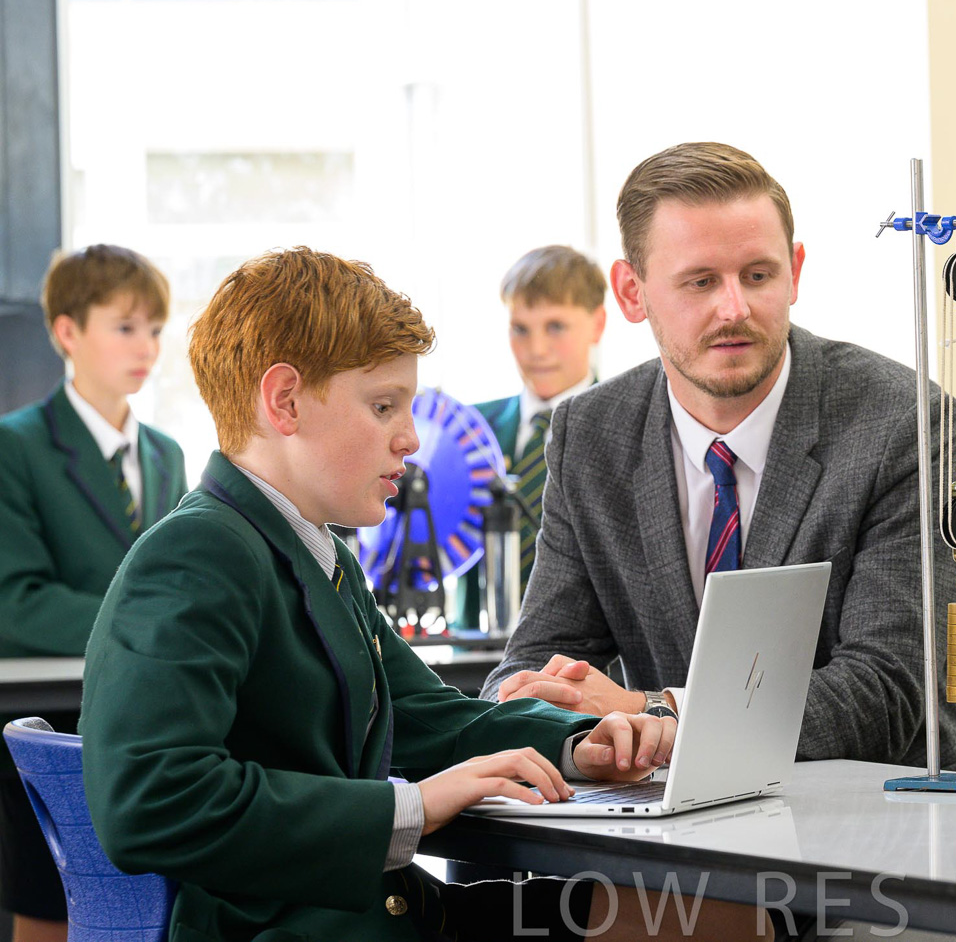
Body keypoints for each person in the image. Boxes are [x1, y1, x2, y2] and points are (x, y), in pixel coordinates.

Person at [78, 247, 731, 942]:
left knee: (718, 916)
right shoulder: (198, 554)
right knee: (709, 919)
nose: (411, 439)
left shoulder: (310, 550)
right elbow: (150, 802)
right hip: (301, 930)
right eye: (383, 406)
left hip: (376, 916)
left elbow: (422, 714)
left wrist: (577, 746)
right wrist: (410, 807)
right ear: (285, 401)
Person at [482, 141, 956, 771]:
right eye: (701, 282)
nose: (734, 309)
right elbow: (534, 662)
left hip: (888, 808)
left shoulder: (901, 420)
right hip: (676, 815)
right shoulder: (590, 434)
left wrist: (657, 714)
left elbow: (885, 692)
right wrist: (548, 713)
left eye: (757, 275)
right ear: (632, 292)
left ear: (795, 272)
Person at [0, 244, 185, 942]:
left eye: (155, 329)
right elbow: (15, 604)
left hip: (152, 723)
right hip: (55, 722)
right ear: (67, 331)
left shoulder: (167, 453)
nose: (146, 347)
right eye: (125, 326)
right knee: (52, 915)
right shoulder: (16, 446)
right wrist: (150, 626)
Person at [457, 246, 607, 629]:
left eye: (555, 327)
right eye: (520, 329)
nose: (536, 350)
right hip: (476, 650)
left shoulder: (626, 430)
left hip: (590, 655)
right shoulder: (468, 430)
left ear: (598, 324)